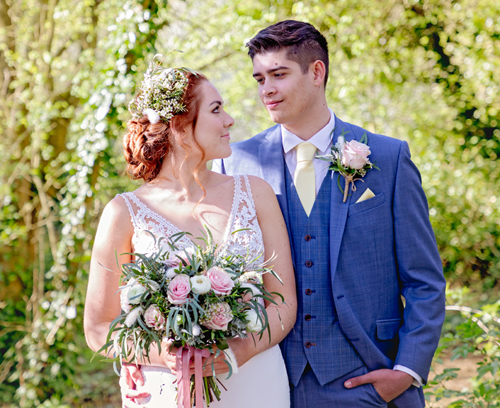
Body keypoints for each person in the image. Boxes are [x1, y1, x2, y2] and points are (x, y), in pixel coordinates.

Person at [122, 20, 446, 408]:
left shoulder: (387, 158)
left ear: (316, 72)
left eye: (278, 75)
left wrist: (404, 371)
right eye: (259, 79)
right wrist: (145, 352)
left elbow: (424, 279)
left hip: (367, 377)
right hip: (266, 381)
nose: (266, 91)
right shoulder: (234, 164)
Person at [84, 63, 297, 408]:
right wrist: (161, 355)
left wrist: (233, 352)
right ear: (180, 127)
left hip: (255, 382)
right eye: (216, 110)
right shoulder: (123, 213)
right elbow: (98, 328)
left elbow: (284, 304)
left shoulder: (256, 194)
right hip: (166, 389)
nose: (229, 120)